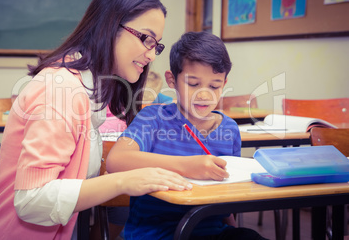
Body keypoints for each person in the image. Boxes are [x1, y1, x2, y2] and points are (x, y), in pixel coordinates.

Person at [0, 0, 192, 240]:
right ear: (109, 27)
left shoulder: (89, 88)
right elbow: (31, 201)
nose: (152, 55)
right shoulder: (61, 89)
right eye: (147, 39)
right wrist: (123, 182)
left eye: (157, 45)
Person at [106, 32, 268, 239]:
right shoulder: (152, 118)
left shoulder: (229, 129)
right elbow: (116, 160)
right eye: (193, 84)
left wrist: (232, 228)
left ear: (224, 84)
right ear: (172, 80)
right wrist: (189, 166)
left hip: (210, 232)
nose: (204, 94)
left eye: (214, 86)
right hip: (152, 234)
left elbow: (227, 196)